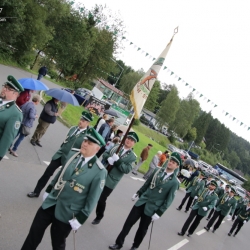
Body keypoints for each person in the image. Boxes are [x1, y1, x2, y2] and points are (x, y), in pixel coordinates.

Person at [21, 129, 107, 250]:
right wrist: (49, 189)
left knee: (57, 244)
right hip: (51, 202)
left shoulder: (99, 171)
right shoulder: (73, 155)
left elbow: (92, 199)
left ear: (97, 149)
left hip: (67, 213)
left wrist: (81, 218)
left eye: (90, 143)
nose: (85, 144)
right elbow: (60, 174)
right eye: (85, 140)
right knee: (34, 234)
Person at [108, 152, 182, 250]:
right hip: (142, 201)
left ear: (177, 166)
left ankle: (135, 246)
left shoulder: (175, 182)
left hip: (152, 208)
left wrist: (159, 213)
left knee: (142, 229)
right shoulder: (157, 170)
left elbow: (169, 200)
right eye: (170, 161)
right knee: (128, 223)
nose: (170, 163)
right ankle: (118, 243)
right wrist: (138, 193)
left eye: (173, 162)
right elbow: (147, 184)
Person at [27, 111, 93, 198]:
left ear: (87, 123)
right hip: (60, 154)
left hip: (71, 158)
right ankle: (36, 191)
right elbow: (65, 141)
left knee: (60, 178)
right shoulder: (73, 128)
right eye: (81, 119)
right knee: (47, 172)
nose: (80, 121)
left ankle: (52, 196)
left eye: (83, 121)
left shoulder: (87, 135)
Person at [91, 132, 139, 225]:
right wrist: (108, 158)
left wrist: (118, 161)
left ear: (134, 143)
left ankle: (99, 215)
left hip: (111, 180)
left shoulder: (133, 157)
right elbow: (105, 154)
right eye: (128, 138)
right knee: (92, 193)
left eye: (132, 140)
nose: (129, 140)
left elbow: (127, 169)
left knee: (101, 199)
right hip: (102, 173)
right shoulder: (116, 146)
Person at [0, 75, 24, 162]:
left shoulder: (15, 113)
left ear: (16, 94)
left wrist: (0, 154)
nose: (4, 89)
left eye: (8, 89)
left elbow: (8, 137)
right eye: (4, 86)